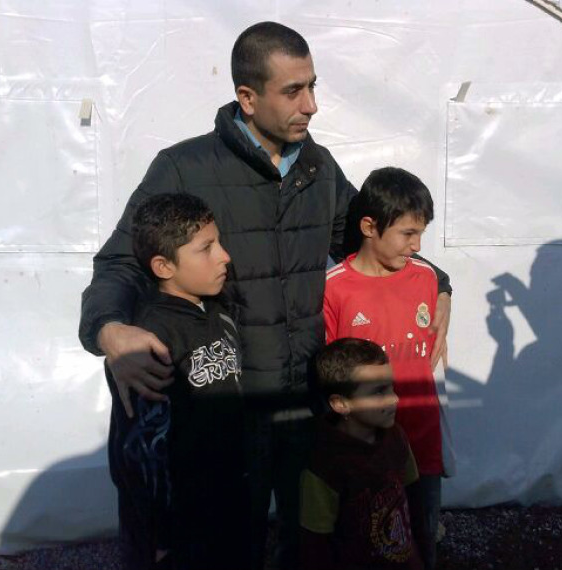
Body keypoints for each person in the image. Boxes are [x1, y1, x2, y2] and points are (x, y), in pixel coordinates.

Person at [79, 22, 452, 569]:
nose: (313, 105)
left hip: (306, 403)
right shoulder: (184, 168)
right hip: (229, 410)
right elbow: (120, 261)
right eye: (294, 91)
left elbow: (376, 235)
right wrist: (110, 330)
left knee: (312, 542)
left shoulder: (318, 168)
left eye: (313, 86)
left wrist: (438, 282)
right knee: (233, 546)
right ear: (247, 98)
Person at [106, 193, 248, 570]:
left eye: (219, 242)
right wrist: (161, 532)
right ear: (164, 266)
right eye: (207, 248)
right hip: (176, 531)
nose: (224, 256)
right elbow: (140, 448)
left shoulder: (220, 313)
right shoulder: (150, 337)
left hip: (225, 507)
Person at [323, 167, 451, 570]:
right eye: (407, 234)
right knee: (363, 542)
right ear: (368, 226)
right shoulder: (334, 288)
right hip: (362, 452)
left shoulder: (428, 279)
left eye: (421, 234)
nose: (416, 245)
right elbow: (328, 372)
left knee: (422, 536)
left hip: (421, 443)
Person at [300, 338, 423, 570]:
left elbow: (414, 500)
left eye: (391, 387)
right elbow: (315, 547)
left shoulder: (396, 437)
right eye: (378, 391)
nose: (395, 398)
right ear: (340, 403)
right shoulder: (324, 466)